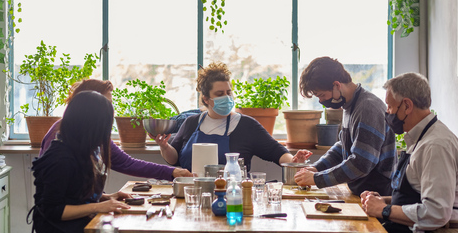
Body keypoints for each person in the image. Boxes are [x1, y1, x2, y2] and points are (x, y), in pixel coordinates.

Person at [154, 62, 300, 173]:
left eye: (228, 93)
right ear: (206, 99)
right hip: (192, 195)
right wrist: (164, 146)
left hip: (233, 198)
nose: (226, 97)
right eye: (219, 94)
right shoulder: (191, 123)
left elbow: (277, 152)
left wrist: (294, 161)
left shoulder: (246, 125)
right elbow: (174, 160)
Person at [361, 72, 458, 232]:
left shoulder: (435, 145)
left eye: (390, 106)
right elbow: (417, 197)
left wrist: (384, 210)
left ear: (407, 106)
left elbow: (437, 213)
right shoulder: (419, 137)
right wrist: (382, 201)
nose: (387, 112)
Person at [40, 79, 192, 180]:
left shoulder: (95, 134)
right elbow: (56, 199)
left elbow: (127, 163)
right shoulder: (59, 136)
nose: (110, 109)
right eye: (106, 102)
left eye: (110, 103)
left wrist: (172, 172)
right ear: (85, 102)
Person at [294, 56, 396, 196]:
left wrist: (317, 179)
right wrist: (316, 169)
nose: (321, 100)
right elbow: (343, 146)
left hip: (378, 195)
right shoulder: (349, 106)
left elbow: (361, 164)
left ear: (336, 85)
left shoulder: (367, 108)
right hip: (362, 192)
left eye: (322, 95)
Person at [30, 91, 131, 232]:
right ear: (90, 126)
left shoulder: (82, 150)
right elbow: (52, 210)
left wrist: (106, 198)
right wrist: (98, 207)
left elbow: (73, 194)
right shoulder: (60, 159)